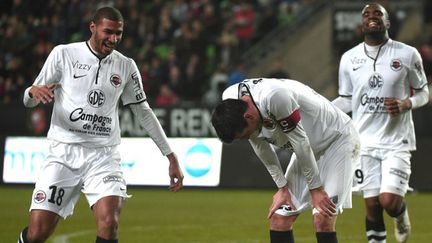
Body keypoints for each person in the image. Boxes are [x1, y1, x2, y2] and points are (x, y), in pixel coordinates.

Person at [17, 7, 184, 243]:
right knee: (38, 233)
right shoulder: (63, 54)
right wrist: (31, 92)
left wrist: (171, 156)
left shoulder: (126, 66)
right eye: (108, 32)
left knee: (109, 224)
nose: (114, 39)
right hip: (63, 153)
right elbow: (29, 100)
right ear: (93, 27)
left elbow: (144, 112)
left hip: (103, 156)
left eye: (119, 33)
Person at [211, 78, 360, 243]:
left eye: (244, 135)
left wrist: (316, 189)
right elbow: (260, 145)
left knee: (323, 218)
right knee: (279, 219)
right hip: (307, 151)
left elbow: (301, 143)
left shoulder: (275, 97)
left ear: (249, 117)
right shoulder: (232, 102)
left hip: (337, 141)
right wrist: (282, 187)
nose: (247, 138)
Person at [332, 3, 429, 243]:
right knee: (372, 206)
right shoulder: (349, 59)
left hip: (397, 141)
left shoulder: (407, 54)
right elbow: (346, 100)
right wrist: (322, 110)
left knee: (389, 202)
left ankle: (401, 213)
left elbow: (425, 92)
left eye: (378, 14)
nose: (372, 17)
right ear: (361, 24)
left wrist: (407, 103)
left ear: (387, 23)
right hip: (363, 142)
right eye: (366, 14)